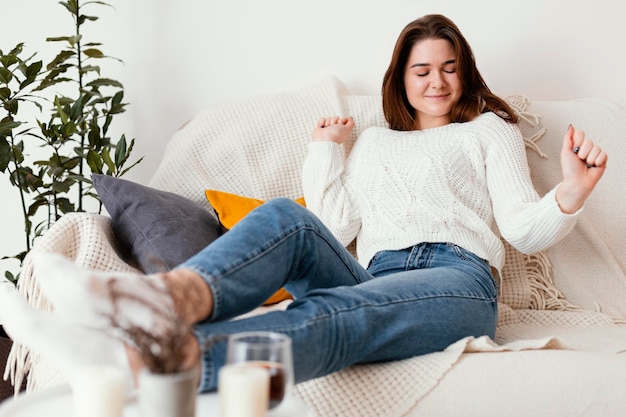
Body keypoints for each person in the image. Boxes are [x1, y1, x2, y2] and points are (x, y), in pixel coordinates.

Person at [0, 14, 607, 394]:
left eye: (450, 68)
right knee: (286, 220)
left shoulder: (490, 132)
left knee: (339, 316)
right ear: (400, 78)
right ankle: (158, 303)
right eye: (423, 69)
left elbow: (522, 228)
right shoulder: (370, 142)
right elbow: (332, 224)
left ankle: (132, 358)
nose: (437, 81)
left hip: (458, 280)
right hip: (376, 271)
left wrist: (571, 190)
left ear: (465, 74)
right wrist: (325, 150)